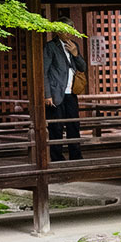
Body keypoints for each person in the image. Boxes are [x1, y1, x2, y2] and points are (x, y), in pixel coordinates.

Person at [44, 32, 86, 161]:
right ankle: (57, 158)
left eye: (71, 29)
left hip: (71, 93)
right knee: (56, 128)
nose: (69, 33)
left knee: (74, 125)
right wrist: (47, 94)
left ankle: (76, 156)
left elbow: (82, 67)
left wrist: (75, 54)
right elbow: (44, 72)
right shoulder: (50, 46)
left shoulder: (74, 45)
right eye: (66, 30)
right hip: (56, 93)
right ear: (59, 31)